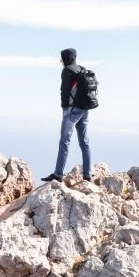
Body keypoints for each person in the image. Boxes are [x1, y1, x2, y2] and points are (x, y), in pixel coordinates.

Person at [41, 48, 92, 182]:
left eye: (62, 58)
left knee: (64, 142)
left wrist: (64, 108)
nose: (60, 61)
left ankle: (58, 174)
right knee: (84, 142)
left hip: (71, 110)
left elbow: (64, 91)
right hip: (84, 109)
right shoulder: (82, 69)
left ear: (67, 58)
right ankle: (87, 175)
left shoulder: (67, 71)